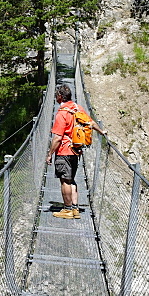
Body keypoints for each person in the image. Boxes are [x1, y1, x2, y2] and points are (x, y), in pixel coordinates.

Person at [46, 83, 106, 219]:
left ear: (60, 97)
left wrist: (50, 154)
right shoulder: (77, 108)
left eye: (56, 95)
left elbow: (57, 138)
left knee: (65, 181)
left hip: (64, 151)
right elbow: (90, 122)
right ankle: (75, 209)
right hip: (76, 150)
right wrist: (101, 132)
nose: (56, 98)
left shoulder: (62, 113)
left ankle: (67, 210)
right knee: (71, 179)